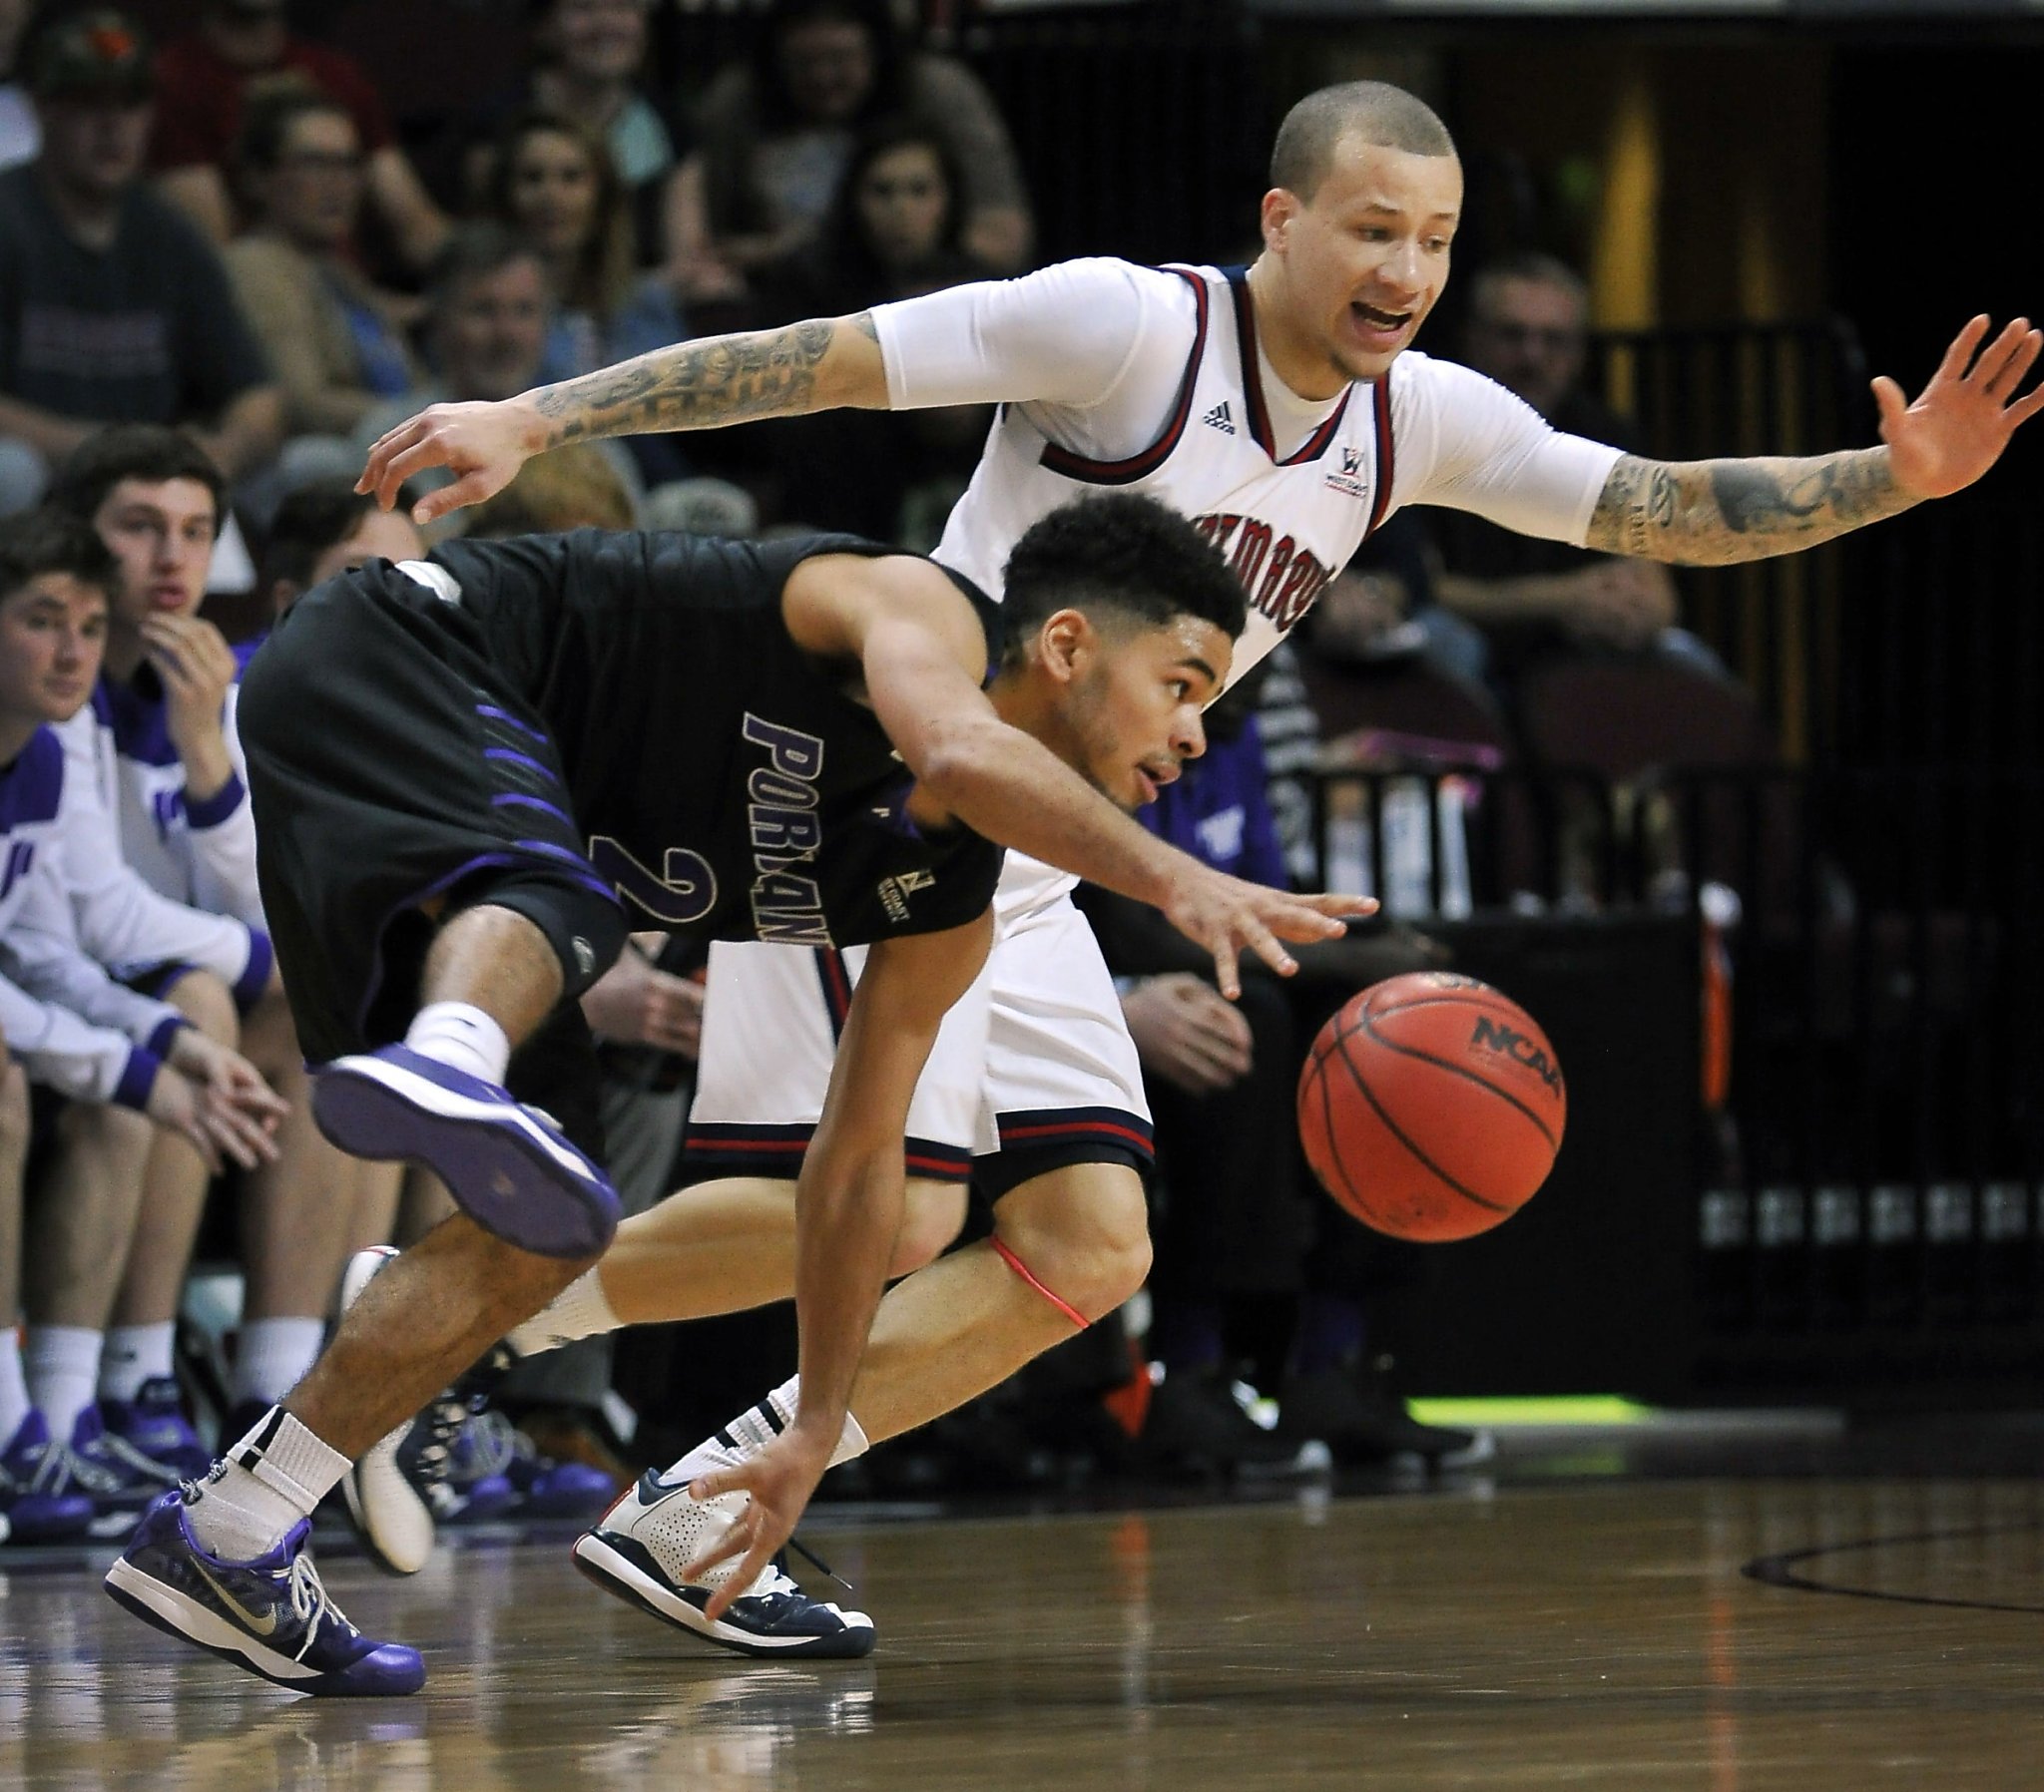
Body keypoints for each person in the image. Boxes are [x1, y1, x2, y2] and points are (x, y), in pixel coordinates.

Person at [353, 78, 2043, 1654]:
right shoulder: (1128, 328)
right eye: (1374, 228)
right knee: (891, 1211)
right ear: (1282, 221)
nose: (1406, 270)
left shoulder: (1414, 421)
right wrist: (533, 412)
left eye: (1436, 240)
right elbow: (824, 359)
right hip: (902, 791)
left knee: (1089, 1250)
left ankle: (683, 1507)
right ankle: (448, 1317)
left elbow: (1658, 506)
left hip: (1046, 860)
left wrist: (1888, 481)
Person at [102, 491, 1365, 1691]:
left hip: (400, 798)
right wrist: (1173, 880)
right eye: (1182, 685)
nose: (1199, 731)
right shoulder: (919, 610)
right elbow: (954, 741)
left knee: (542, 1230)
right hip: (402, 648)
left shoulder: (943, 905)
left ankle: (228, 1530)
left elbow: (857, 1164)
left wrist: (815, 1422)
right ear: (1067, 643)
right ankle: (453, 1053)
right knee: (554, 901)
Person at [0, 507, 285, 1531]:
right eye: (43, 621)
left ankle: (65, 1426)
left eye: (85, 624)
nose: (73, 648)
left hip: (50, 1002)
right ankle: (9, 1433)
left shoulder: (34, 749)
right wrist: (141, 1068)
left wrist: (165, 1049)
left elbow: (41, 951)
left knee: (132, 1070)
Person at [0, 11, 282, 515]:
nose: (113, 126)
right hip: (51, 471)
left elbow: (256, 393)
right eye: (89, 104)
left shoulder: (171, 233)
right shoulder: (8, 216)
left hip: (158, 477)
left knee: (295, 471)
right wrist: (108, 452)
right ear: (44, 108)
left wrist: (224, 452)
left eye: (130, 104)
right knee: (9, 471)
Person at [1428, 253, 1724, 685]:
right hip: (1476, 641)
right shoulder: (1432, 430)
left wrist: (1640, 609)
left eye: (1554, 340)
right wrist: (1559, 600)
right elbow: (1422, 589)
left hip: (1586, 641)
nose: (1532, 356)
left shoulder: (1606, 433)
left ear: (1579, 352)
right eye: (1513, 335)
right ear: (1472, 339)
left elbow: (1656, 585)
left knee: (1690, 662)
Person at [668, 0, 1029, 304]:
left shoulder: (936, 92)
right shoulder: (739, 101)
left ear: (876, 51)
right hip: (779, 312)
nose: (824, 77)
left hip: (922, 300)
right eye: (804, 62)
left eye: (841, 58)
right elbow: (700, 248)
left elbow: (1004, 237)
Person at [148, 0, 447, 275]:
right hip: (264, 296)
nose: (333, 180)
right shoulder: (174, 82)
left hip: (351, 296)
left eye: (343, 165)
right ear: (256, 177)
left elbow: (416, 226)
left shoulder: (335, 75)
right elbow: (216, 261)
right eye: (316, 163)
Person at [481, 110, 684, 385]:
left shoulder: (648, 304)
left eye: (571, 177)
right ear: (505, 196)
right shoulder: (484, 315)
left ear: (603, 196)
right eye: (532, 178)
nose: (551, 196)